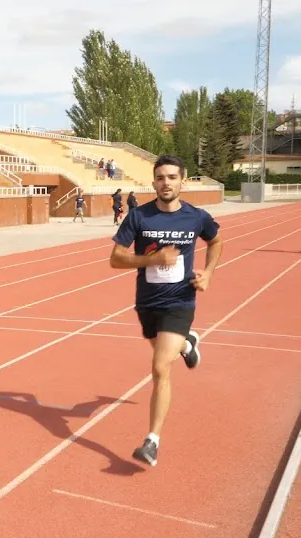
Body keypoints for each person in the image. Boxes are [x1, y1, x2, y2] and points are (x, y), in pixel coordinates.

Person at [109, 154, 224, 467]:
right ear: (153, 182)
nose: (166, 183)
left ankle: (152, 441)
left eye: (172, 177)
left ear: (182, 181)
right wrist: (151, 260)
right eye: (161, 177)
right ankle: (188, 344)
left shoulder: (196, 217)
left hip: (180, 301)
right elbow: (116, 259)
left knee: (161, 367)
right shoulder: (139, 217)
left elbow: (216, 240)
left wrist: (209, 272)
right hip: (147, 302)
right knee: (166, 354)